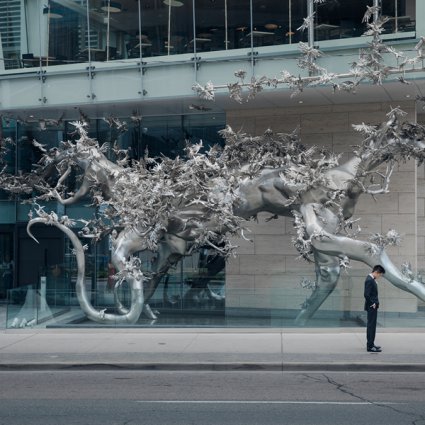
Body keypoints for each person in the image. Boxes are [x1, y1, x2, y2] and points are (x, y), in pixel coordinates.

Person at [364, 265, 385, 353]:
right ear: (376, 272)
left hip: (372, 306)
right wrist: (372, 303)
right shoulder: (369, 280)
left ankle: (371, 344)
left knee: (372, 326)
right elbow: (366, 294)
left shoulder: (371, 279)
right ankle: (370, 346)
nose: (380, 276)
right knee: (371, 326)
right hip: (371, 307)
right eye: (380, 274)